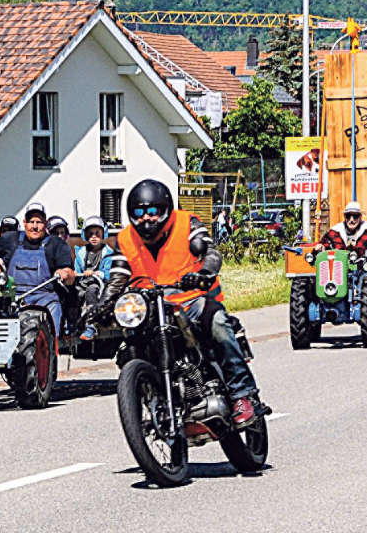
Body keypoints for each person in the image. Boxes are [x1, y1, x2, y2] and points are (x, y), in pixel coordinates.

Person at [109, 178, 262, 426]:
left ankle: (241, 395)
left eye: (152, 211)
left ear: (165, 210)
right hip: (150, 306)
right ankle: (149, 402)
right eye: (139, 213)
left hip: (192, 299)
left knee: (219, 325)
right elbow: (118, 276)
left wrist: (204, 273)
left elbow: (210, 252)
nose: (146, 218)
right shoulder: (125, 238)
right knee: (129, 346)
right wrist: (99, 306)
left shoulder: (186, 223)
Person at [0, 203, 76, 335]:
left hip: (45, 301)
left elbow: (70, 275)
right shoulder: (11, 239)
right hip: (13, 300)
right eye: (31, 222)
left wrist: (64, 273)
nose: (34, 226)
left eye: (39, 222)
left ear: (45, 224)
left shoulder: (57, 244)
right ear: (24, 223)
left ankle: (54, 343)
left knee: (50, 337)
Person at [73, 217, 128, 341]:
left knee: (92, 290)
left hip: (100, 285)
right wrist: (76, 273)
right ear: (85, 235)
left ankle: (91, 324)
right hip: (82, 283)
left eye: (97, 233)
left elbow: (109, 274)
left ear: (104, 234)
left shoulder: (108, 254)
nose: (94, 237)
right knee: (72, 293)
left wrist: (98, 273)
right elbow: (77, 270)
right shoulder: (81, 253)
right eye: (90, 234)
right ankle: (72, 323)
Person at [318, 201, 367, 268]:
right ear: (345, 217)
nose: (351, 220)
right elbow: (324, 243)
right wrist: (321, 247)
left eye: (355, 216)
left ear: (360, 217)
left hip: (364, 270)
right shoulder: (335, 231)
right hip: (339, 269)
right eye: (348, 216)